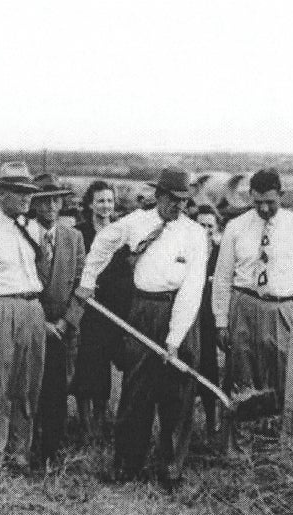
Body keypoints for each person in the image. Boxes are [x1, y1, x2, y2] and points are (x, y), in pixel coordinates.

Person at [76, 167, 208, 489]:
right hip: (141, 311)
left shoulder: (194, 234)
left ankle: (170, 469)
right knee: (136, 391)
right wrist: (87, 281)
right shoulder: (135, 222)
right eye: (173, 200)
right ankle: (127, 465)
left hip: (179, 312)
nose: (178, 207)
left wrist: (175, 339)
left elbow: (192, 289)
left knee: (177, 394)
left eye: (184, 202)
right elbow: (103, 243)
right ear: (159, 196)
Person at [212, 168, 293, 453]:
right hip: (243, 306)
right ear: (250, 197)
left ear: (281, 196)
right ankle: (241, 449)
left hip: (283, 309)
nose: (264, 208)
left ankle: (279, 449)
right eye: (257, 202)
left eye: (270, 202)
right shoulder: (236, 227)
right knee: (243, 380)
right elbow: (223, 276)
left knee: (284, 380)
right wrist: (221, 320)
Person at [0, 162, 47, 473]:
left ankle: (20, 452)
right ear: (2, 194)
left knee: (28, 384)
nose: (26, 198)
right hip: (1, 306)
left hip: (33, 308)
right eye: (18, 192)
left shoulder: (32, 229)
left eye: (29, 192)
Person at [28, 174, 86, 466]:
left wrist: (66, 321)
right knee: (29, 385)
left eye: (56, 200)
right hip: (32, 324)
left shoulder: (73, 238)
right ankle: (27, 445)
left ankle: (52, 448)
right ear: (33, 203)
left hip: (64, 328)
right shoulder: (23, 234)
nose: (51, 206)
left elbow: (82, 284)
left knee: (58, 388)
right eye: (44, 200)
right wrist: (41, 323)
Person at [72, 180, 130, 435]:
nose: (106, 206)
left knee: (107, 365)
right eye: (100, 201)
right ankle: (85, 424)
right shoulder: (79, 233)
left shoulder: (120, 234)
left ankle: (101, 418)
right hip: (87, 309)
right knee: (87, 363)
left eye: (109, 201)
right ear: (89, 204)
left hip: (113, 309)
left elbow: (125, 270)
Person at [194, 204, 223, 433]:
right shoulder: (187, 251)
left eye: (209, 226)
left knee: (210, 369)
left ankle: (212, 422)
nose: (205, 230)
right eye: (200, 225)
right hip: (188, 321)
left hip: (210, 322)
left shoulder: (222, 255)